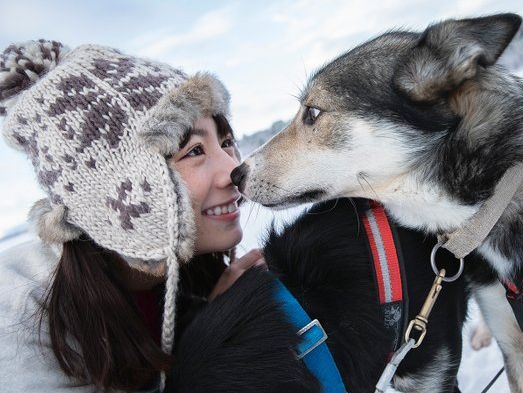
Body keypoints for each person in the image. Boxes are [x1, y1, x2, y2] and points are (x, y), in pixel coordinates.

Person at [0, 40, 311, 392]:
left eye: (225, 142)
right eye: (194, 150)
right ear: (116, 190)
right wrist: (213, 336)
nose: (233, 169)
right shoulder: (20, 323)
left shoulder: (183, 275)